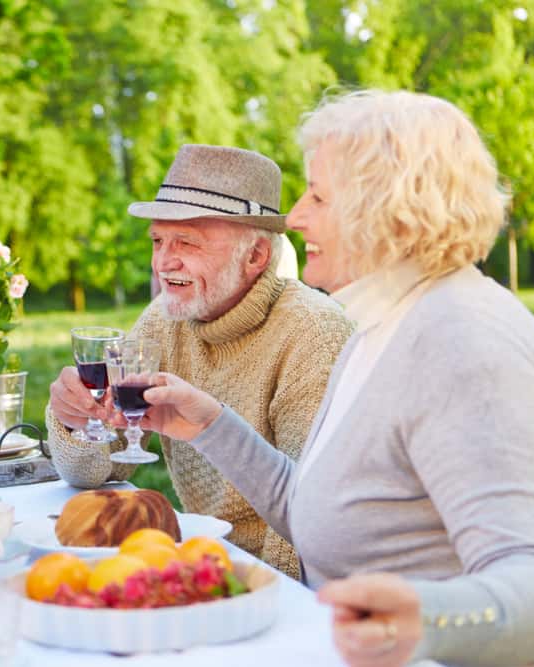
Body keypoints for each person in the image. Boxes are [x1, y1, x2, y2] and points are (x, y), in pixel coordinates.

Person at [141, 91, 534, 667]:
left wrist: (425, 619)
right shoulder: (382, 322)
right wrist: (209, 425)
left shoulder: (462, 342)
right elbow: (314, 510)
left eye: (319, 195)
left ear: (387, 207)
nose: (296, 216)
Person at [47, 145, 354, 578]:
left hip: (268, 586)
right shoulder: (166, 319)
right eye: (158, 240)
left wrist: (255, 596)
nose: (162, 262)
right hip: (199, 563)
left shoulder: (313, 334)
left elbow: (307, 518)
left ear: (256, 257)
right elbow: (100, 469)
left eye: (186, 242)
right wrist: (77, 422)